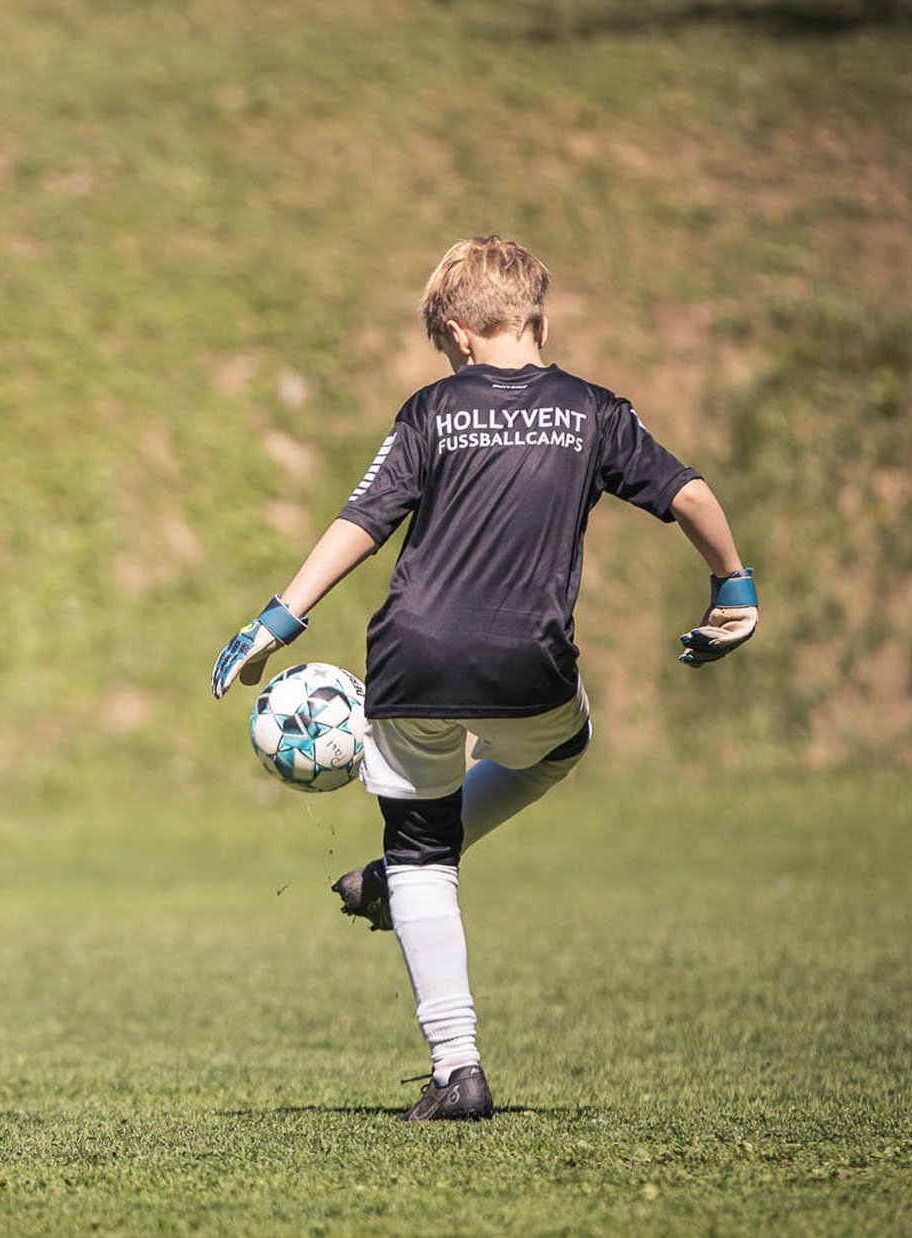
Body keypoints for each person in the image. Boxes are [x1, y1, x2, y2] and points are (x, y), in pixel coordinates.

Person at [209, 236, 757, 1122]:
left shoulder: (430, 412)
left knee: (421, 849)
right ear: (533, 315)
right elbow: (687, 493)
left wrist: (279, 617)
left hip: (412, 658)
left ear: (459, 334)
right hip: (528, 661)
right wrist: (732, 584)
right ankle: (405, 873)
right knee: (563, 743)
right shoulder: (593, 411)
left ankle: (457, 1066)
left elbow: (365, 519)